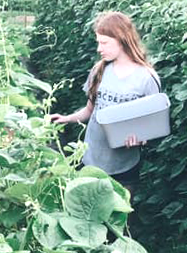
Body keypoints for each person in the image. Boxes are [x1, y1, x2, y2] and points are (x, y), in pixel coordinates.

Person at [47, 11, 161, 196]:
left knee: (117, 218)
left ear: (122, 39)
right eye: (98, 42)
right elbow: (90, 110)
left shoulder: (146, 78)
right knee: (87, 214)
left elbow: (153, 125)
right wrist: (66, 119)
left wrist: (140, 137)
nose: (99, 48)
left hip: (123, 167)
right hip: (91, 160)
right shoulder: (99, 70)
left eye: (104, 43)